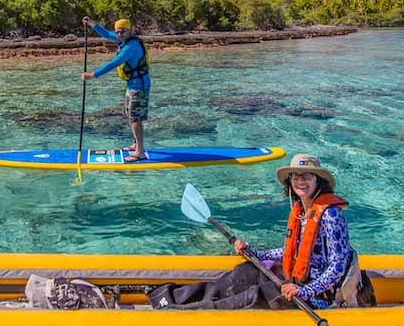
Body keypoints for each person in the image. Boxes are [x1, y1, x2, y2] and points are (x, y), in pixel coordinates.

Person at [148, 154, 370, 310]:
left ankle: (185, 313)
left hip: (315, 295)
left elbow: (337, 267)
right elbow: (291, 251)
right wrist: (256, 253)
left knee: (252, 296)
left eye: (307, 176)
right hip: (292, 279)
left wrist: (305, 291)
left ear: (318, 181)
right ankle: (168, 298)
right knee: (242, 274)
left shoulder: (331, 216)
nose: (300, 181)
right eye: (296, 176)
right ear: (290, 182)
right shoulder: (301, 211)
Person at [80, 16, 151, 162]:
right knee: (130, 116)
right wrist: (91, 23)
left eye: (123, 31)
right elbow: (106, 34)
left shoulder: (131, 47)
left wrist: (93, 75)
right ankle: (135, 144)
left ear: (129, 30)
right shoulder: (123, 40)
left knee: (135, 118)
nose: (119, 34)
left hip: (139, 86)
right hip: (132, 85)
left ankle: (140, 151)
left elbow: (114, 63)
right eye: (118, 32)